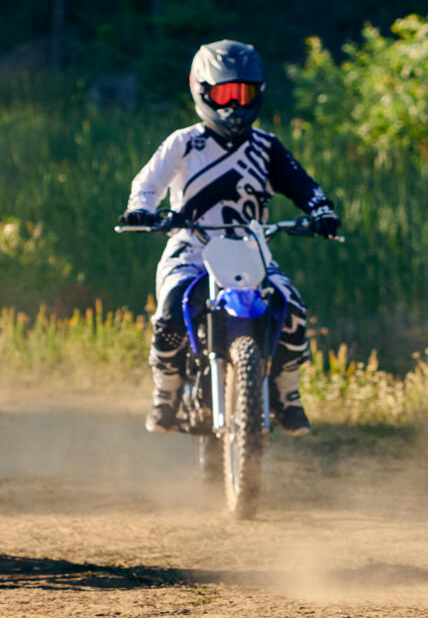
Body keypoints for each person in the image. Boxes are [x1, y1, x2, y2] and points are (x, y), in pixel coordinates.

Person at [120, 39, 339, 436]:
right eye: (224, 94)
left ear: (259, 93)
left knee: (293, 309)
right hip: (190, 248)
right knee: (169, 314)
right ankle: (166, 393)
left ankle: (287, 393)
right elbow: (148, 183)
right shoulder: (184, 142)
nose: (235, 106)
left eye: (244, 94)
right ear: (202, 91)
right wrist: (141, 210)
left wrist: (321, 211)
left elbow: (303, 185)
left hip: (251, 250)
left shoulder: (267, 147)